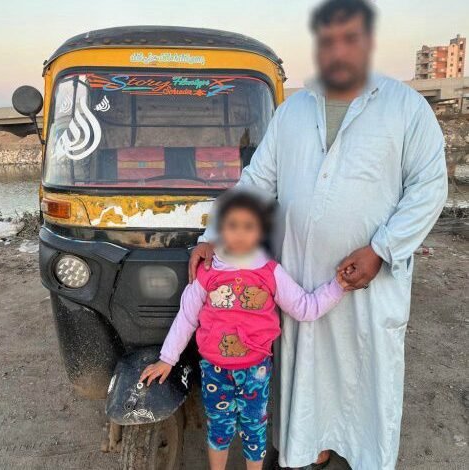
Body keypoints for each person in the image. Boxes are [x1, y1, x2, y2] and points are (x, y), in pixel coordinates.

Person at [188, 1, 448, 469]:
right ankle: (312, 448)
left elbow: (429, 187)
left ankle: (364, 454)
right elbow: (257, 181)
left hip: (370, 283)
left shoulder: (405, 108)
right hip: (303, 276)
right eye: (329, 39)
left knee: (364, 372)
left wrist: (382, 249)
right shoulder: (294, 110)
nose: (338, 49)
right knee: (309, 371)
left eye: (350, 38)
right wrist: (213, 236)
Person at [141, 190, 349, 470]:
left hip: (255, 372)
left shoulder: (269, 272)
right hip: (214, 370)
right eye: (232, 225)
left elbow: (304, 307)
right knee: (219, 430)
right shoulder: (207, 272)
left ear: (260, 231)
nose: (239, 234)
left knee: (254, 431)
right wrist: (167, 359)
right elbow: (187, 317)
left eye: (248, 226)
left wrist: (338, 287)